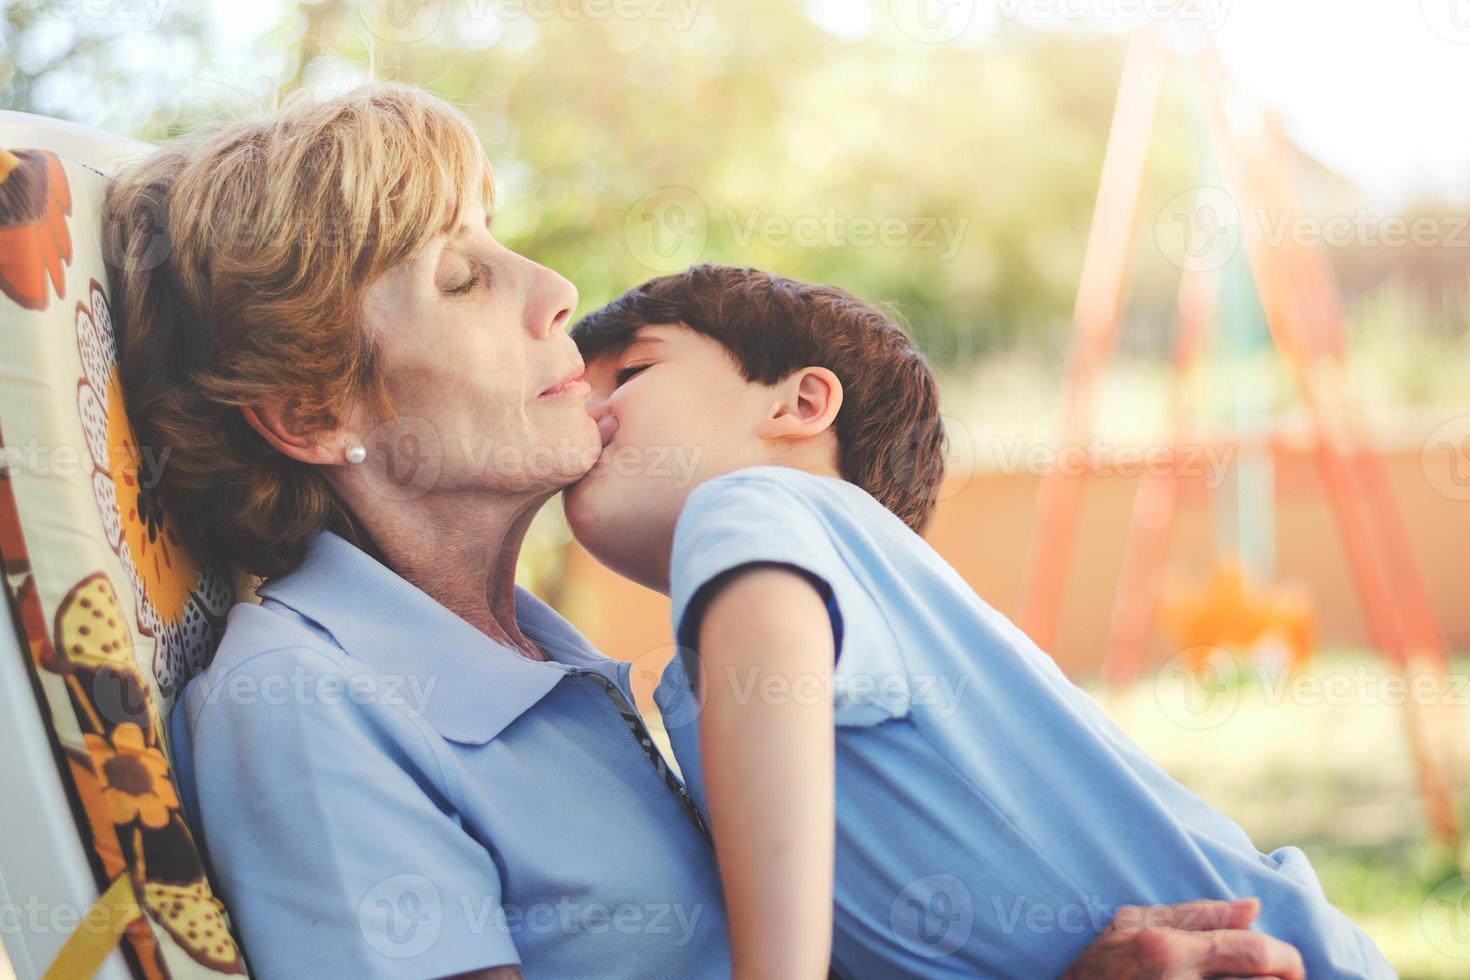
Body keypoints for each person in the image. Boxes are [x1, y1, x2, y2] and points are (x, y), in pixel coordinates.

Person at [104, 81, 1310, 979]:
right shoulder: (304, 702)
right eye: (461, 279)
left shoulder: (555, 665)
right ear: (317, 411)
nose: (555, 293)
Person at [563, 264, 1393, 979]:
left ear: (801, 403)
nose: (583, 409)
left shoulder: (757, 501)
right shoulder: (735, 635)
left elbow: (772, 654)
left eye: (629, 373)